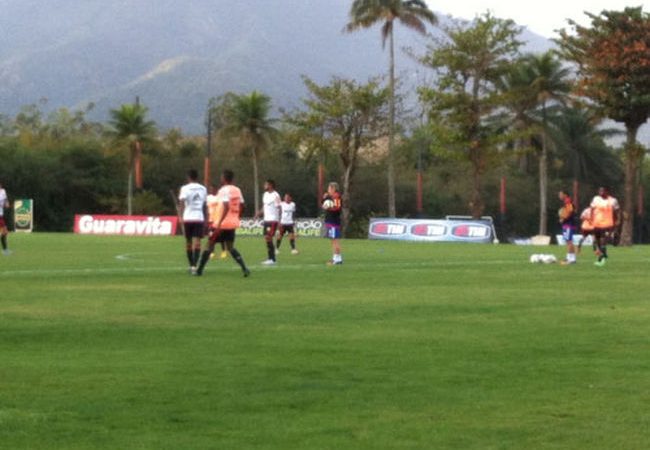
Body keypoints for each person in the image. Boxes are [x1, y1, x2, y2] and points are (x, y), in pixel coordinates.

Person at [196, 169, 250, 277]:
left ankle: (199, 270)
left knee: (209, 245)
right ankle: (245, 268)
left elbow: (226, 206)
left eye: (221, 177)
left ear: (224, 178)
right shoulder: (237, 190)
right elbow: (243, 205)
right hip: (232, 223)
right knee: (230, 247)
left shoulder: (223, 190)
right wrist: (237, 216)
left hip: (222, 224)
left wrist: (220, 222)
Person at [178, 169, 207, 274]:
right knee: (197, 242)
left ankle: (192, 265)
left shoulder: (185, 188)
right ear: (197, 177)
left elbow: (181, 202)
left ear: (188, 177)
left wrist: (180, 216)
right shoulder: (203, 188)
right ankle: (195, 265)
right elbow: (204, 205)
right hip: (199, 217)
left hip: (188, 218)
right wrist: (206, 219)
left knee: (188, 242)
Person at [590, 186, 620, 267]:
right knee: (597, 241)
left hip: (607, 224)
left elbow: (617, 211)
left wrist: (618, 220)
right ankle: (604, 254)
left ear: (607, 191)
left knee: (603, 240)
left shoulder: (613, 200)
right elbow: (592, 209)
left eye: (603, 191)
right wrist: (591, 218)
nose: (601, 192)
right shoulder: (596, 199)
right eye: (600, 191)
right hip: (597, 223)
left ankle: (601, 259)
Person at [256, 179, 281, 265]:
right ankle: (271, 258)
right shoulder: (265, 194)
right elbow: (264, 206)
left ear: (270, 185)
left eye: (266, 184)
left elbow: (279, 208)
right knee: (267, 238)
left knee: (269, 238)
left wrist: (279, 221)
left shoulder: (276, 195)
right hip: (266, 220)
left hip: (273, 220)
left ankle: (272, 259)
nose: (264, 186)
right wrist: (258, 213)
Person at [323, 181, 343, 265]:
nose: (328, 190)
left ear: (333, 188)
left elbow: (337, 208)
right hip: (330, 221)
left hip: (333, 222)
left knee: (335, 241)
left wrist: (328, 207)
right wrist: (324, 199)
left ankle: (337, 259)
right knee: (333, 240)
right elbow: (323, 204)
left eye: (329, 188)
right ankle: (336, 258)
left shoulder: (336, 196)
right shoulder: (330, 197)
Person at [206, 184, 227, 260]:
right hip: (210, 220)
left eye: (212, 189)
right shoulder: (208, 198)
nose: (211, 191)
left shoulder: (220, 198)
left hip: (218, 220)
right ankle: (212, 252)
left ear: (216, 190)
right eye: (210, 189)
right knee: (211, 237)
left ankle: (224, 251)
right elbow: (206, 208)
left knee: (221, 237)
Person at [558, 190, 577, 265]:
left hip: (569, 224)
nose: (559, 196)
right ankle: (570, 258)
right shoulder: (567, 201)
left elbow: (570, 211)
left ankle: (571, 259)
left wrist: (563, 218)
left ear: (565, 195)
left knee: (569, 241)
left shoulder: (568, 201)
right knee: (568, 241)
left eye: (560, 194)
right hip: (568, 224)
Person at [0, 182, 11, 255]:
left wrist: (7, 203)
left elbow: (6, 200)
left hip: (1, 215)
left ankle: (5, 250)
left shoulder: (3, 191)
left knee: (4, 232)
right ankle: (5, 250)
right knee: (5, 231)